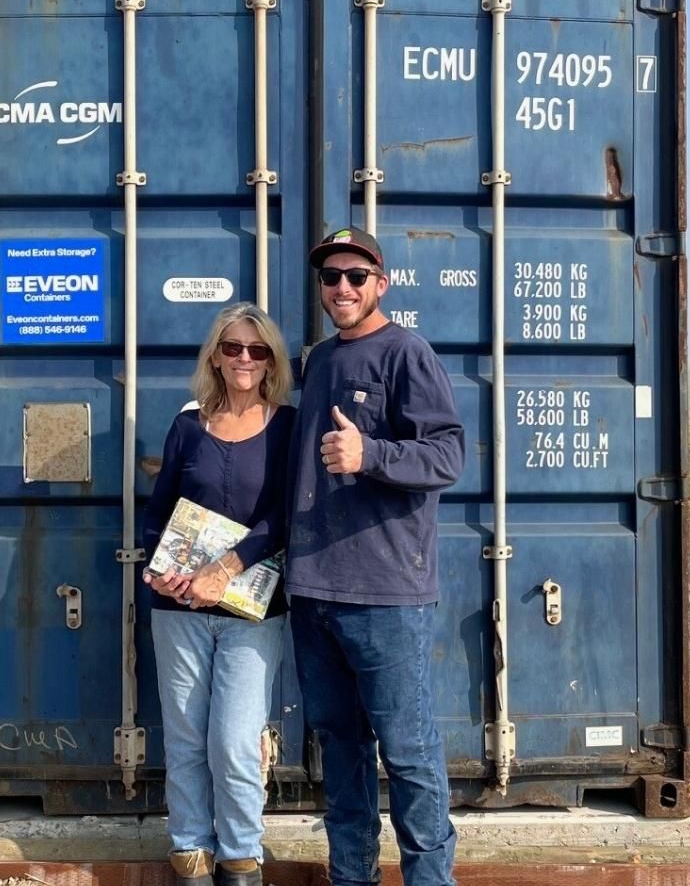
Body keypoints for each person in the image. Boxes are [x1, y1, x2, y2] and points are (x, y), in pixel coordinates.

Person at [286, 227, 466, 886]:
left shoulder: (405, 352)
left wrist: (372, 455)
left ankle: (429, 879)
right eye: (330, 276)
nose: (341, 287)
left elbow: (447, 454)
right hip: (314, 593)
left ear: (380, 284)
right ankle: (351, 876)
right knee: (341, 752)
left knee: (410, 753)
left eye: (355, 276)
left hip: (385, 594)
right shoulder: (319, 361)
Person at [141, 302, 296, 886]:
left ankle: (241, 859)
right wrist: (161, 572)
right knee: (184, 743)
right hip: (177, 609)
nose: (245, 359)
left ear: (271, 360)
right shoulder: (188, 424)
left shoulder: (288, 425)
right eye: (233, 347)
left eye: (257, 351)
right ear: (215, 354)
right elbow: (158, 514)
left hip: (251, 611)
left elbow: (285, 517)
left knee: (233, 744)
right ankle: (190, 858)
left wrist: (226, 568)